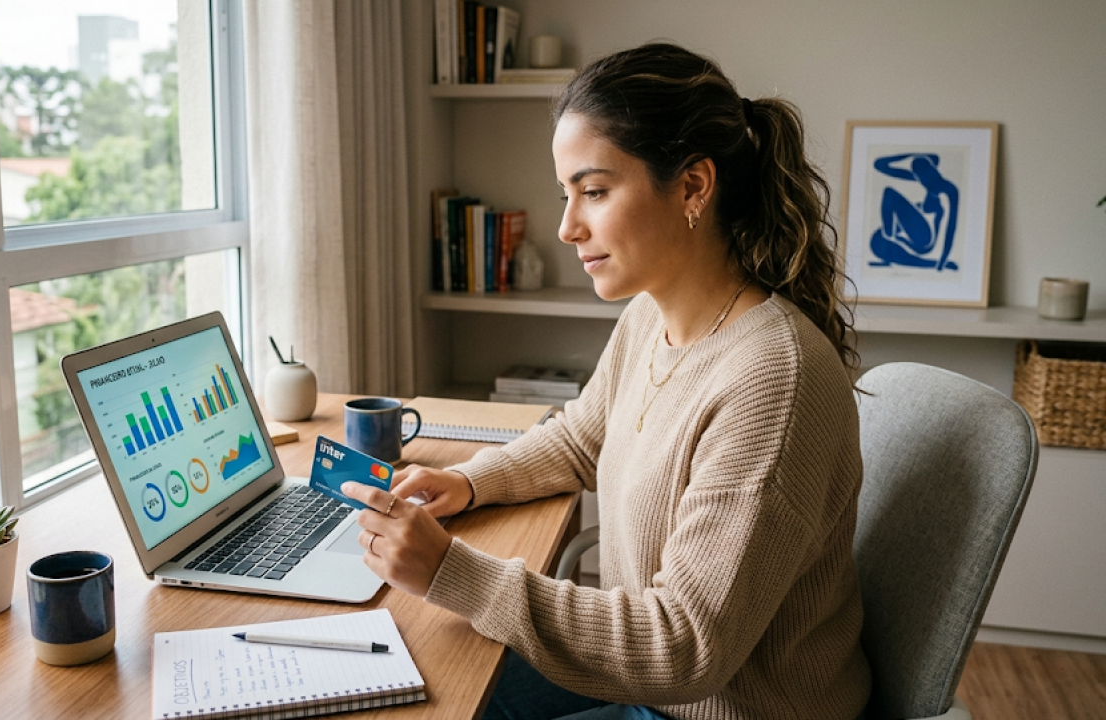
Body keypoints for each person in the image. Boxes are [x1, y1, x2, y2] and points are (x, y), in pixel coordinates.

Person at [343, 42, 871, 720]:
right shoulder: (652, 314)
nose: (567, 227)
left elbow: (683, 647)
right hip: (648, 682)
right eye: (566, 194)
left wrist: (452, 571)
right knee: (421, 682)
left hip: (721, 706)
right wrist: (469, 481)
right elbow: (582, 438)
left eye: (593, 192)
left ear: (693, 186)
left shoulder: (773, 379)